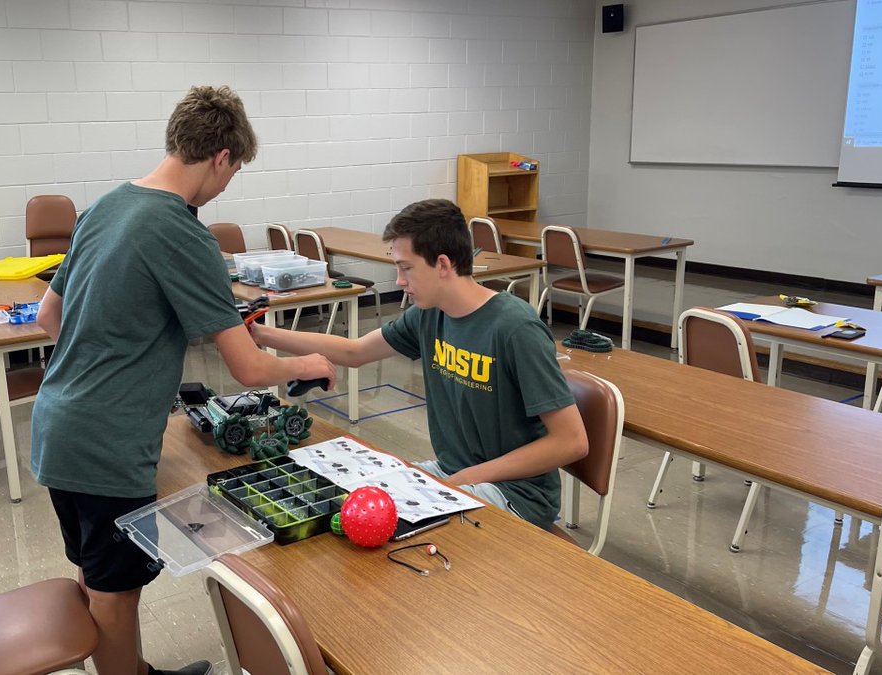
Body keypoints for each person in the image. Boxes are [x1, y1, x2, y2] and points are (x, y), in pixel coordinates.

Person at [30, 85, 335, 675]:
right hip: (107, 444)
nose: (226, 187)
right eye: (234, 172)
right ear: (221, 157)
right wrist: (307, 364)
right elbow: (248, 368)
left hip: (57, 424)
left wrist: (115, 354)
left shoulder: (104, 207)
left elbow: (50, 316)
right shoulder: (182, 232)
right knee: (116, 594)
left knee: (97, 573)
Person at [252, 199, 588, 530]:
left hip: (514, 493)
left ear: (442, 265)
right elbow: (354, 352)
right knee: (352, 506)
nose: (399, 280)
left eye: (406, 268)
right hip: (454, 474)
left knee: (387, 536)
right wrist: (261, 333)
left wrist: (464, 479)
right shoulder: (429, 315)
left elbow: (571, 441)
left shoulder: (515, 328)